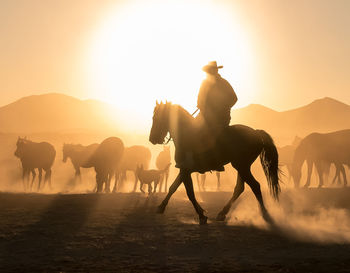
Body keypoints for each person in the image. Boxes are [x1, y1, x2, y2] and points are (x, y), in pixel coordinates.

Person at [196, 61, 237, 132]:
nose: (208, 73)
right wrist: (201, 106)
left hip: (221, 118)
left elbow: (234, 98)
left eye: (210, 70)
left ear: (216, 70)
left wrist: (222, 108)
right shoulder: (204, 83)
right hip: (204, 117)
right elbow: (199, 99)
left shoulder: (223, 83)